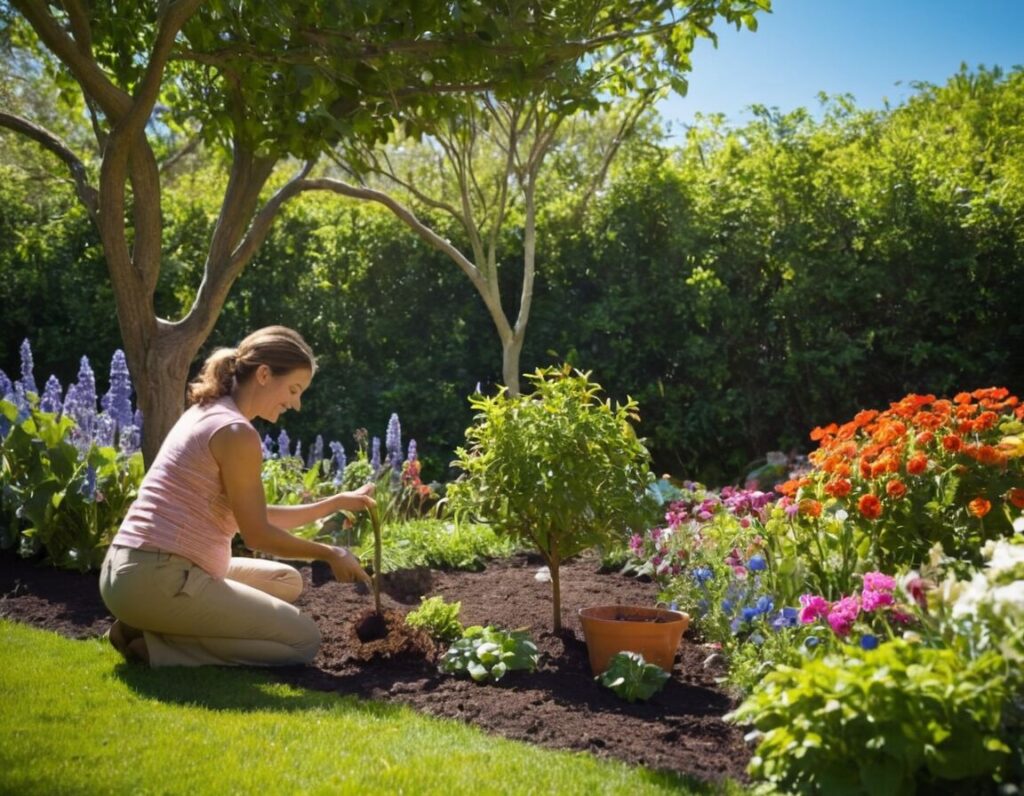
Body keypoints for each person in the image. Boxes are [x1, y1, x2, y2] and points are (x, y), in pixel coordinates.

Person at [99, 326, 373, 667]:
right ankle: (157, 646)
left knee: (284, 581)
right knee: (303, 641)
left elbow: (252, 513)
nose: (296, 403)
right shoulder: (236, 432)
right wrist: (329, 553)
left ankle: (152, 624)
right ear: (263, 374)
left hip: (131, 571)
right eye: (293, 389)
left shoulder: (210, 411)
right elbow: (257, 534)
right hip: (157, 578)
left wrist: (333, 503)